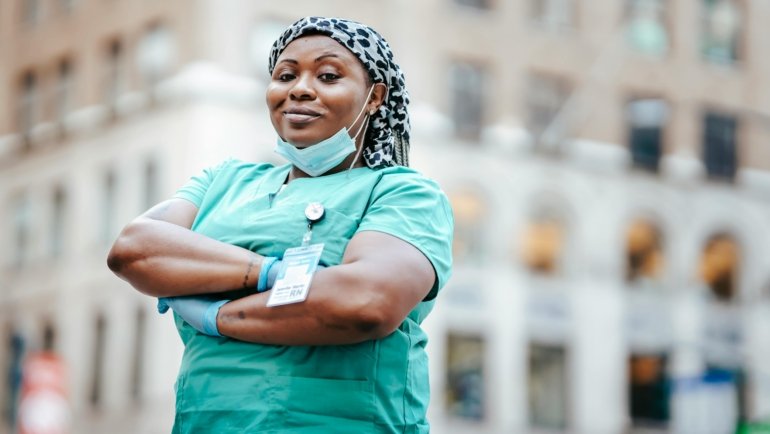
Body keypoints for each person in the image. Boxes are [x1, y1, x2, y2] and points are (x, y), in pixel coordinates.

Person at [107, 16, 453, 433]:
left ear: (375, 97)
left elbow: (365, 302)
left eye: (327, 75)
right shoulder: (225, 180)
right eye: (285, 75)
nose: (300, 88)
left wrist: (215, 314)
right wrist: (275, 274)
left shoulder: (404, 193)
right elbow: (134, 249)